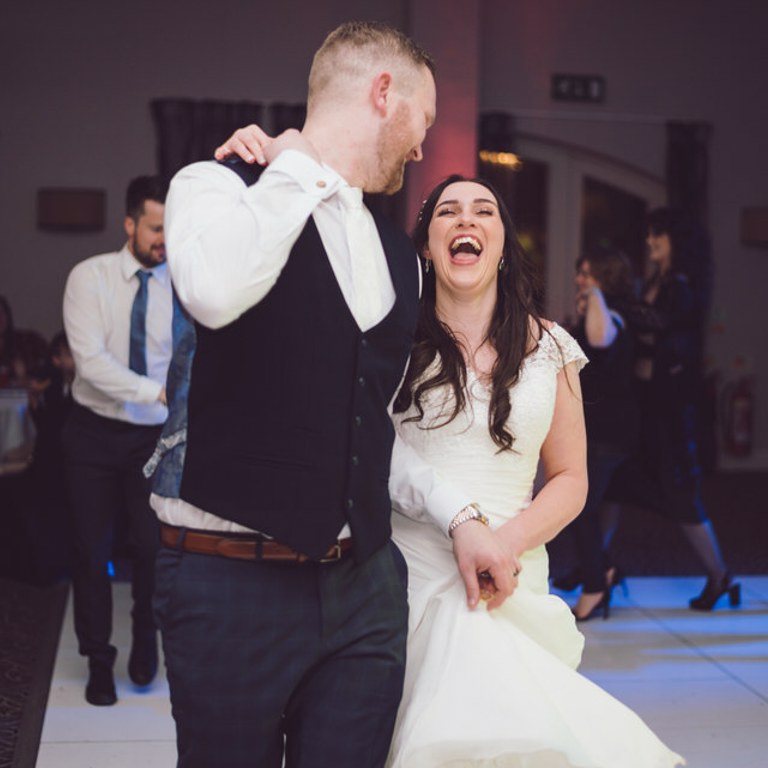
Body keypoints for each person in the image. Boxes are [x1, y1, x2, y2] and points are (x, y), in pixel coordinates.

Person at [151, 22, 499, 768]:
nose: (421, 148)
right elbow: (213, 293)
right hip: (228, 583)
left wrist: (461, 518)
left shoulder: (401, 261)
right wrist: (298, 166)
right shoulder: (215, 185)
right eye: (423, 121)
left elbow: (367, 430)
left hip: (365, 594)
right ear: (383, 93)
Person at [385, 175, 684, 767]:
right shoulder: (393, 341)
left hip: (513, 572)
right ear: (426, 246)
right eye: (447, 212)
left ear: (502, 244)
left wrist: (504, 542)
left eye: (483, 212)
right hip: (412, 573)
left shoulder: (551, 346)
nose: (465, 221)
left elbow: (572, 477)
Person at [61, 175, 172, 706]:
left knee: (152, 549)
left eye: (171, 229)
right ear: (129, 224)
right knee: (91, 550)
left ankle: (146, 637)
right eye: (155, 228)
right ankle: (98, 659)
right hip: (93, 432)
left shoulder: (186, 287)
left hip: (154, 438)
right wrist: (159, 391)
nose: (164, 239)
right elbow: (90, 363)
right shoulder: (89, 278)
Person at [605, 207, 738, 611]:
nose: (649, 242)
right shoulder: (663, 282)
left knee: (681, 497)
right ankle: (599, 567)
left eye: (656, 237)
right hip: (648, 405)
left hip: (670, 412)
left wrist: (612, 299)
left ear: (674, 242)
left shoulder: (680, 285)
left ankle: (720, 576)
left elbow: (656, 323)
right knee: (616, 482)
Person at [553, 248, 640, 620]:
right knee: (587, 509)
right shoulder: (599, 311)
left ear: (605, 279)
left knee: (581, 510)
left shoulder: (613, 314)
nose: (579, 279)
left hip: (608, 430)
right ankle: (601, 571)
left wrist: (595, 295)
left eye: (587, 274)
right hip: (597, 428)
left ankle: (594, 587)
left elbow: (601, 341)